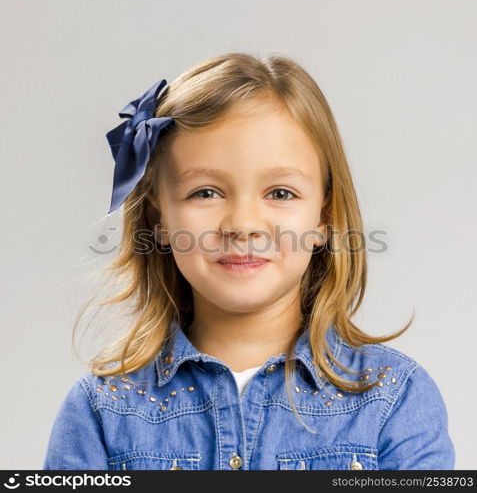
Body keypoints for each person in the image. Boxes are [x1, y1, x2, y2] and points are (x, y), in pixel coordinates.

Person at [43, 52, 455, 470]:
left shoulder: (394, 399)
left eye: (280, 193)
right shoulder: (100, 413)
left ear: (324, 218)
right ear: (159, 219)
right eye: (205, 192)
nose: (242, 225)